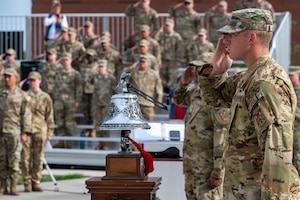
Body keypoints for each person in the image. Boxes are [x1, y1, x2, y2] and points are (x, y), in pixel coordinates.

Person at [197, 8, 300, 199]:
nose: (223, 41)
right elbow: (215, 98)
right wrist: (216, 70)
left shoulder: (265, 84)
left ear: (251, 38)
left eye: (231, 35)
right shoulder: (250, 76)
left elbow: (277, 157)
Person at [173, 52, 229, 199]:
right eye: (197, 69)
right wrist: (184, 83)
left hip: (207, 170)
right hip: (192, 167)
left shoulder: (219, 97)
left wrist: (217, 173)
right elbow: (178, 99)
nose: (198, 73)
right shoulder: (198, 92)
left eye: (201, 68)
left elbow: (221, 140)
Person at [21, 71, 55, 192]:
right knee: (25, 158)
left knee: (38, 158)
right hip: (27, 130)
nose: (32, 83)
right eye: (30, 80)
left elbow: (49, 116)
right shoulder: (24, 96)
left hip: (40, 131)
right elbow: (21, 115)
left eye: (34, 80)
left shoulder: (46, 97)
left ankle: (35, 181)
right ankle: (26, 183)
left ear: (40, 81)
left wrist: (50, 132)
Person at [0, 68, 31, 196]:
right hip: (1, 133)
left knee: (14, 160)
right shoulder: (1, 94)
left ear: (15, 78)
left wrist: (25, 132)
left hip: (15, 133)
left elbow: (26, 115)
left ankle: (13, 186)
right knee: (2, 159)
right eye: (5, 77)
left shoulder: (22, 96)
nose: (7, 79)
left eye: (9, 77)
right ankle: (2, 186)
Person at [52, 53, 82, 148]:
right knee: (60, 122)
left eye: (67, 60)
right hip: (59, 101)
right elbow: (54, 86)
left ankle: (69, 142)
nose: (65, 61)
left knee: (69, 123)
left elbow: (79, 88)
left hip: (70, 101)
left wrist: (77, 100)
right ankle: (61, 141)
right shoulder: (58, 73)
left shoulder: (75, 74)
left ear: (70, 60)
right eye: (64, 60)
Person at [90, 59, 116, 150]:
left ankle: (104, 144)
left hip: (106, 103)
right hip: (96, 103)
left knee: (105, 124)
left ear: (106, 67)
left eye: (102, 67)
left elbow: (115, 91)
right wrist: (93, 69)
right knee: (97, 124)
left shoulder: (111, 78)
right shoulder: (95, 77)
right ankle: (99, 143)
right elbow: (87, 82)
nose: (101, 68)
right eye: (99, 67)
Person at [128, 55, 163, 121]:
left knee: (148, 125)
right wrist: (131, 67)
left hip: (148, 104)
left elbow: (159, 89)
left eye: (144, 62)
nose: (142, 63)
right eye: (140, 62)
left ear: (148, 63)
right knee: (135, 126)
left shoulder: (153, 74)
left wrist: (158, 101)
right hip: (135, 103)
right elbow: (123, 76)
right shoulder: (134, 73)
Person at [155, 18, 182, 91]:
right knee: (163, 77)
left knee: (172, 77)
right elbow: (155, 42)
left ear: (173, 26)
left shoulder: (176, 36)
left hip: (172, 61)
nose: (167, 27)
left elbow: (179, 49)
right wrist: (159, 31)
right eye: (166, 25)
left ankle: (170, 93)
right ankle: (164, 92)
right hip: (163, 59)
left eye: (168, 25)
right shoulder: (161, 35)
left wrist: (178, 61)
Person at [288, 66, 300, 174]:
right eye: (289, 75)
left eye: (293, 75)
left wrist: (291, 110)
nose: (290, 78)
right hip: (290, 129)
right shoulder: (288, 90)